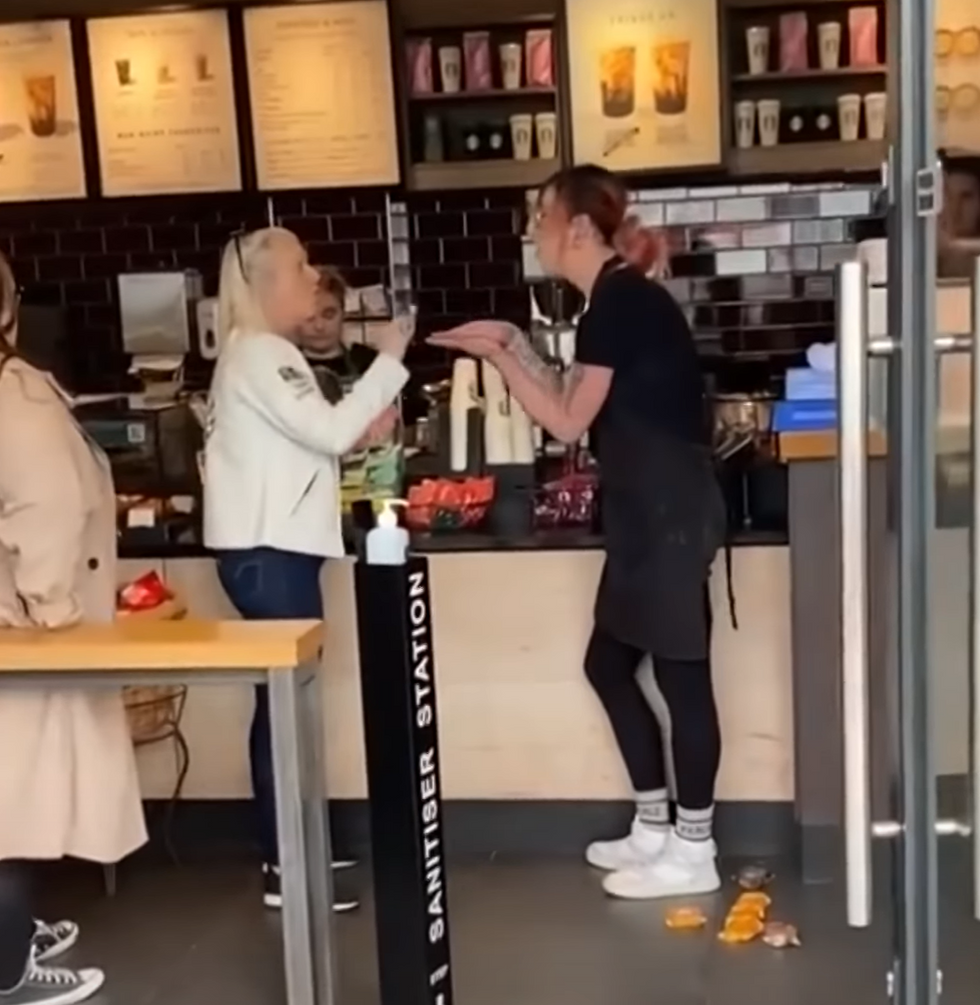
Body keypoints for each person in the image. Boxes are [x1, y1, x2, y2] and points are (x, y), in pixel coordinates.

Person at [429, 165, 726, 901]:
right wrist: (511, 342)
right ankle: (655, 825)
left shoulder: (618, 303)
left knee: (684, 675)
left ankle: (696, 847)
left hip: (667, 512)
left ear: (581, 229)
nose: (534, 228)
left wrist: (500, 353)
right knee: (609, 664)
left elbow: (564, 420)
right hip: (645, 511)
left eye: (541, 215)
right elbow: (570, 397)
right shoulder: (614, 300)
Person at [203, 228, 411, 910]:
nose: (313, 276)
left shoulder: (255, 353)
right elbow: (325, 431)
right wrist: (389, 360)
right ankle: (286, 866)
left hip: (269, 551)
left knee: (283, 708)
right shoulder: (263, 352)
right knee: (285, 711)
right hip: (272, 554)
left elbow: (314, 436)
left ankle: (293, 849)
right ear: (266, 285)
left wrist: (357, 422)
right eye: (300, 267)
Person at [0, 251, 147, 1003]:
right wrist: (54, 612)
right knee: (14, 802)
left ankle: (14, 933)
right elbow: (46, 509)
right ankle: (9, 968)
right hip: (20, 637)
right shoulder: (16, 396)